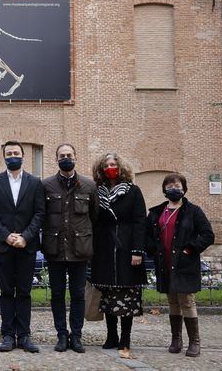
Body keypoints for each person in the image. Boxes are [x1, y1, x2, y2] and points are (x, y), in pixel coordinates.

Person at [0, 140, 45, 353]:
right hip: (4, 246)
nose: (13, 156)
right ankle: (8, 335)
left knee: (25, 292)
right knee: (7, 291)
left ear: (23, 155)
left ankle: (25, 335)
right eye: (9, 153)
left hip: (26, 246)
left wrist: (26, 237)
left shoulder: (35, 183)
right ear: (4, 156)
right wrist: (6, 235)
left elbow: (39, 213)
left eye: (16, 152)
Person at [146, 173, 214, 357]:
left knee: (186, 300)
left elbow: (208, 235)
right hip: (164, 263)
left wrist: (190, 249)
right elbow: (147, 235)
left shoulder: (193, 211)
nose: (173, 189)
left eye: (177, 185)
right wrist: (153, 250)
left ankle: (195, 342)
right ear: (164, 190)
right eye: (169, 186)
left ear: (183, 188)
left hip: (184, 263)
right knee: (172, 300)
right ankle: (176, 339)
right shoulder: (156, 212)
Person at [90, 152, 147, 359]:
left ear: (121, 167)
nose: (110, 167)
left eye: (113, 164)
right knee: (108, 295)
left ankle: (126, 337)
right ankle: (111, 335)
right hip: (104, 247)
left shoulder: (133, 191)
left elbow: (140, 221)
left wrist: (137, 250)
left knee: (127, 296)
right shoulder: (97, 192)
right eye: (106, 165)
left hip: (127, 247)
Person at [42, 144, 98, 353]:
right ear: (56, 159)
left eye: (69, 155)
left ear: (76, 157)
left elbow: (95, 216)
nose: (66, 158)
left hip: (79, 250)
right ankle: (61, 335)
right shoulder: (46, 185)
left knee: (77, 295)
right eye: (62, 156)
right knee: (57, 294)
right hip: (55, 249)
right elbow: (42, 216)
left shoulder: (89, 186)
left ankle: (77, 336)